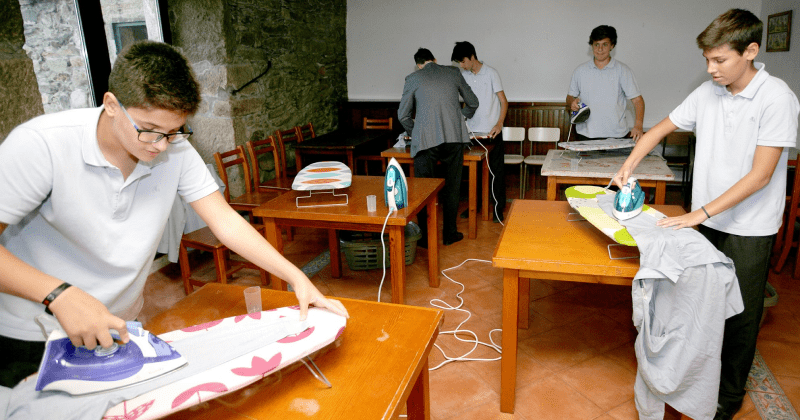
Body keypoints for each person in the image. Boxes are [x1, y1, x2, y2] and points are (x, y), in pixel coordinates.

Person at [0, 41, 348, 388]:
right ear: (111, 105)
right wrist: (59, 294)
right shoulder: (41, 145)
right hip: (30, 333)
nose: (160, 145)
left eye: (173, 132)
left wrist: (296, 277)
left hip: (117, 326)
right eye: (148, 129)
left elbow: (225, 221)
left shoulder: (175, 150)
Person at [613, 9, 799, 420]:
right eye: (707, 60)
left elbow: (762, 174)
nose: (711, 69)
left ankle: (727, 399)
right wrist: (630, 164)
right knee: (698, 304)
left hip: (749, 226)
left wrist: (699, 213)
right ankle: (694, 378)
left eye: (720, 60)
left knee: (739, 315)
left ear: (750, 51)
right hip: (704, 220)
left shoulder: (777, 98)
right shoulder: (707, 92)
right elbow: (661, 128)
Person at [398, 48, 479, 246]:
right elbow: (473, 102)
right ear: (434, 59)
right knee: (452, 186)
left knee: (424, 189)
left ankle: (425, 238)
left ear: (419, 64)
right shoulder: (453, 72)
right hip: (454, 137)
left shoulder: (413, 78)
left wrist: (417, 130)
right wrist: (460, 119)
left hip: (425, 140)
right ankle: (450, 233)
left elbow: (403, 115)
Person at [451, 41, 508, 222]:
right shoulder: (464, 76)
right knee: (473, 173)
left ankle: (498, 209)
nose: (461, 65)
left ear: (472, 57)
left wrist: (499, 124)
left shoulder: (491, 73)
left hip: (491, 132)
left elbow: (503, 101)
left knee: (495, 172)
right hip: (471, 132)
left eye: (462, 61)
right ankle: (475, 206)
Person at [566, 25, 646, 142]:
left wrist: (638, 125)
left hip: (617, 135)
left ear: (612, 46)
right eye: (596, 45)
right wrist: (571, 103)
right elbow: (569, 97)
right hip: (585, 135)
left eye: (605, 44)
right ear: (591, 46)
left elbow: (638, 100)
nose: (600, 49)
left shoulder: (623, 70)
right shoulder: (580, 71)